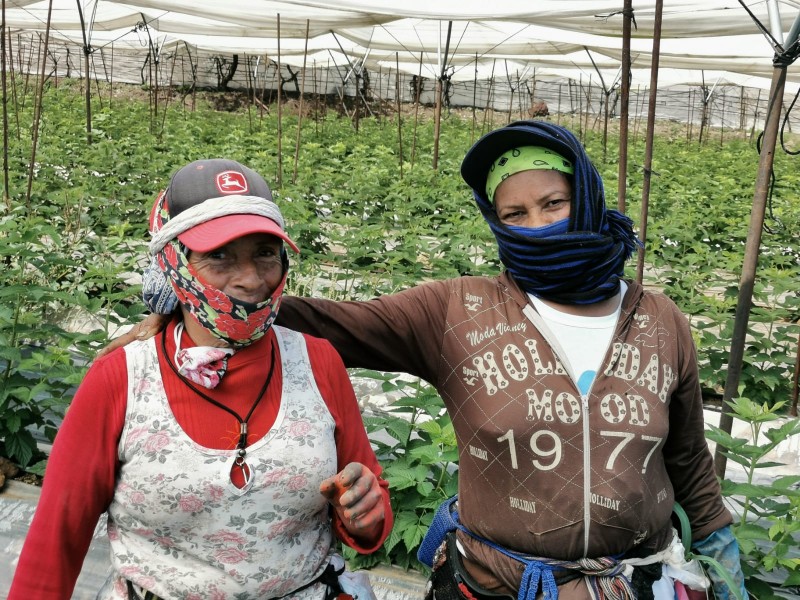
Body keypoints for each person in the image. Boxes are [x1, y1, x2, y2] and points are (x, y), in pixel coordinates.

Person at [101, 122, 746, 600]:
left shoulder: (659, 320)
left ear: (587, 192)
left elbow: (686, 459)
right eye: (514, 213)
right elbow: (334, 323)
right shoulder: (457, 311)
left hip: (637, 583)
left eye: (555, 203)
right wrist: (198, 303)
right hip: (492, 586)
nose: (539, 225)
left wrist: (719, 549)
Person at [9, 159, 392, 600]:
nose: (250, 280)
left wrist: (365, 513)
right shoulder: (121, 379)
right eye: (219, 255)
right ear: (175, 263)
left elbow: (369, 501)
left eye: (265, 253)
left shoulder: (319, 363)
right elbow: (57, 536)